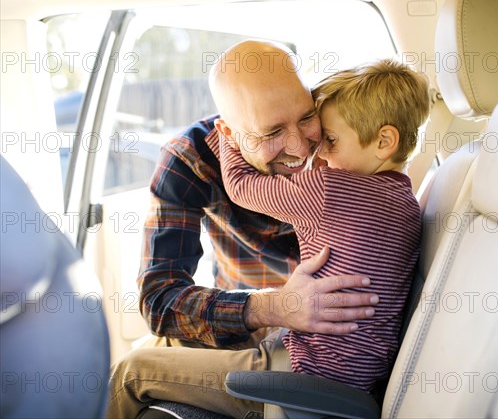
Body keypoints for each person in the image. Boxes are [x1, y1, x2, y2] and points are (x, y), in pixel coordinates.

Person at [106, 41, 380, 419]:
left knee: (128, 375)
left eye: (305, 117)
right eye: (271, 133)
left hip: (320, 337)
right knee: (152, 345)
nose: (301, 149)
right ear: (229, 136)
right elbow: (159, 298)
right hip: (242, 315)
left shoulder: (343, 141)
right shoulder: (190, 161)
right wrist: (274, 306)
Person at [217, 58, 429, 393]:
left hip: (313, 370)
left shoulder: (331, 189)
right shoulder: (404, 200)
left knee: (136, 372)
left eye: (330, 140)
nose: (319, 155)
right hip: (362, 374)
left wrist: (230, 138)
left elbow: (240, 186)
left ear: (384, 141)